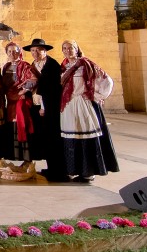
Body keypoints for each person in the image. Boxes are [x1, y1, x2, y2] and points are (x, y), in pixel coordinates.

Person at [60, 40, 119, 183]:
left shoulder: (86, 64)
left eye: (71, 48)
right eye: (65, 48)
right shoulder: (63, 66)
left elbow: (106, 80)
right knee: (71, 138)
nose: (68, 51)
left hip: (83, 104)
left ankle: (88, 171)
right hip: (68, 105)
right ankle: (73, 169)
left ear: (77, 49)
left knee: (86, 138)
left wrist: (97, 96)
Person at [25, 38, 67, 181]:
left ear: (45, 51)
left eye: (38, 50)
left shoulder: (52, 65)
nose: (35, 53)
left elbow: (50, 88)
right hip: (36, 106)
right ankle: (51, 167)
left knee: (53, 138)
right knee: (44, 138)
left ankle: (58, 171)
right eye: (32, 50)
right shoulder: (33, 65)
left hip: (49, 107)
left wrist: (44, 107)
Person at [0, 42, 36, 161]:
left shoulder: (25, 65)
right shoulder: (6, 66)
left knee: (21, 125)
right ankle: (13, 157)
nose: (12, 54)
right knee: (11, 127)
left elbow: (33, 79)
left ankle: (24, 158)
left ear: (19, 52)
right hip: (10, 101)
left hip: (20, 100)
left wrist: (23, 91)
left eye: (15, 51)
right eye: (9, 51)